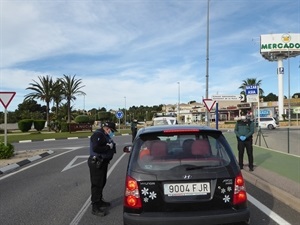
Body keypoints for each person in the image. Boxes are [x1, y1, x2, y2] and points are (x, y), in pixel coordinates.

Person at [88, 121, 117, 216]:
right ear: (107, 128)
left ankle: (99, 200)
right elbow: (96, 148)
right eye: (112, 131)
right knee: (96, 184)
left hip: (102, 162)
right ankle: (95, 206)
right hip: (96, 162)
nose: (112, 133)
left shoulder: (104, 135)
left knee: (102, 182)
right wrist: (107, 147)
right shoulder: (98, 135)